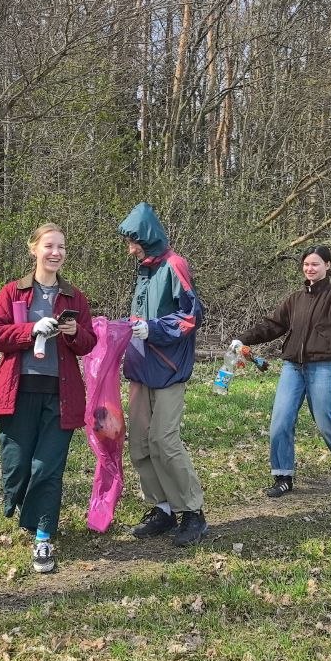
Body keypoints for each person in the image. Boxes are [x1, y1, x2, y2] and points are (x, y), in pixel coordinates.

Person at [0, 223, 97, 573]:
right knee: (17, 467)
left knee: (48, 468)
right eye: (49, 246)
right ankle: (22, 505)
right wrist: (30, 329)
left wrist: (75, 331)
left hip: (60, 394)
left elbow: (89, 343)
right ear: (34, 249)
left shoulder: (74, 297)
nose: (56, 253)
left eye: (61, 247)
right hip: (17, 393)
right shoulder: (12, 293)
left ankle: (44, 538)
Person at [230, 245, 331, 498]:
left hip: (323, 367)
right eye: (306, 264)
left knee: (326, 422)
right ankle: (283, 476)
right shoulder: (295, 299)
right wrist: (243, 339)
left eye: (315, 264)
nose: (310, 269)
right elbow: (272, 325)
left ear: (327, 266)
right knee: (280, 422)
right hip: (292, 368)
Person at [117, 202, 208, 546]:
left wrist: (152, 329)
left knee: (164, 441)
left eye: (132, 242)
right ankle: (163, 509)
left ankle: (193, 513)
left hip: (169, 370)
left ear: (147, 237)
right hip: (140, 370)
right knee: (140, 443)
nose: (129, 249)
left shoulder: (174, 265)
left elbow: (190, 317)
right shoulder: (144, 270)